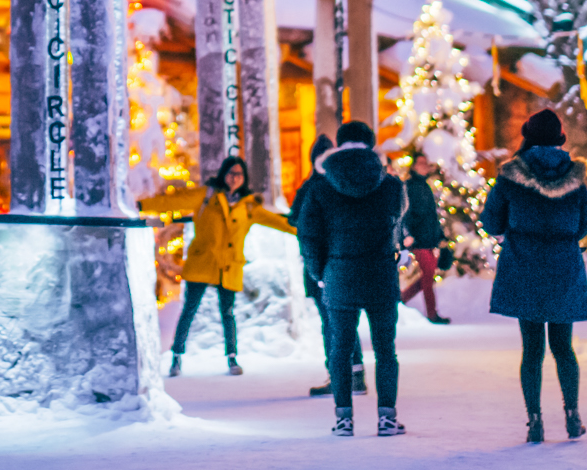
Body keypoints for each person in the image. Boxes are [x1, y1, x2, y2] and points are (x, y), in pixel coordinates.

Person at [480, 108, 587, 443]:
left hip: (524, 265)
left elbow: (491, 222)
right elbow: (583, 226)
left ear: (527, 137)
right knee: (563, 347)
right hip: (563, 266)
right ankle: (573, 417)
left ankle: (535, 422)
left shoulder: (511, 175)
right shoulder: (576, 177)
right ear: (560, 138)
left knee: (532, 350)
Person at [296, 121, 407, 437]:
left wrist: (320, 272)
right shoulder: (391, 185)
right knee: (386, 349)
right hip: (381, 273)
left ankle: (343, 419)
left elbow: (309, 234)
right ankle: (387, 418)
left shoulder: (320, 187)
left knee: (340, 347)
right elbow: (397, 223)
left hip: (339, 274)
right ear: (371, 145)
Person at [140, 155, 294, 377]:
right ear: (224, 174)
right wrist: (142, 205)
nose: (234, 178)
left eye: (239, 174)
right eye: (231, 173)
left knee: (228, 313)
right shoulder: (207, 195)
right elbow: (174, 202)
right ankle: (176, 356)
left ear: (244, 178)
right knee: (189, 310)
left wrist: (305, 229)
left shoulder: (248, 205)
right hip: (202, 262)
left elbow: (277, 221)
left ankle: (232, 357)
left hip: (229, 266)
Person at [289, 133, 363, 397]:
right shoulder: (345, 184)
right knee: (344, 319)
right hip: (345, 262)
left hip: (322, 263)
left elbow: (295, 219)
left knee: (331, 322)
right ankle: (356, 375)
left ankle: (339, 376)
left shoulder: (313, 187)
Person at [399, 160, 452, 324]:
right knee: (428, 277)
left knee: (428, 276)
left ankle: (400, 299)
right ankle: (432, 314)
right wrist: (408, 234)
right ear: (414, 166)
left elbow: (431, 216)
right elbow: (406, 213)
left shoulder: (424, 186)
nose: (425, 166)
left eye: (426, 163)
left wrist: (440, 236)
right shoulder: (410, 186)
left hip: (429, 238)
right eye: (421, 163)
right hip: (419, 239)